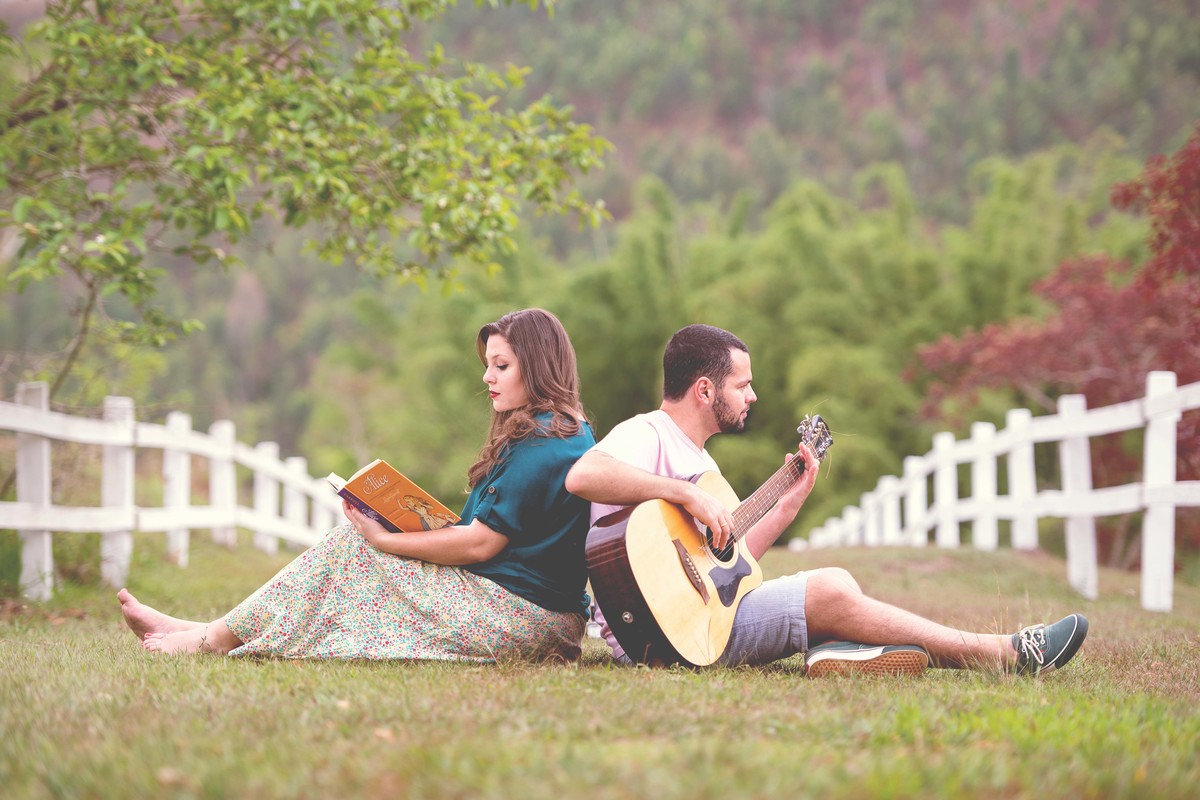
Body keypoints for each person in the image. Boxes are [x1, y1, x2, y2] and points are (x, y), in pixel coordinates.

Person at [565, 324, 1089, 677]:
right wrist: (682, 494)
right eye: (742, 385)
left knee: (836, 581)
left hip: (694, 621)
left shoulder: (706, 467)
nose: (752, 396)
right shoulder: (649, 433)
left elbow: (731, 571)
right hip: (659, 636)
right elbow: (584, 475)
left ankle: (841, 652)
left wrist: (789, 503)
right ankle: (1000, 653)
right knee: (828, 592)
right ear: (705, 390)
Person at [118, 308, 596, 663]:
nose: (487, 377)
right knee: (352, 554)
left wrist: (387, 538)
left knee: (355, 547)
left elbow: (479, 543)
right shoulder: (561, 431)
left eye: (501, 366)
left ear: (535, 365)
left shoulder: (542, 443)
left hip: (525, 620)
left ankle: (210, 639)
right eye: (489, 364)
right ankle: (210, 631)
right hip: (536, 614)